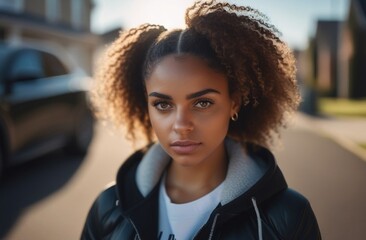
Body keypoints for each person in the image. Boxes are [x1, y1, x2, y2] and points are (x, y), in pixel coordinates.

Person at [81, 1, 321, 239]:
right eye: (163, 105)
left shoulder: (289, 217)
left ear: (233, 103)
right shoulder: (106, 210)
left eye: (202, 103)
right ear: (146, 105)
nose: (181, 125)